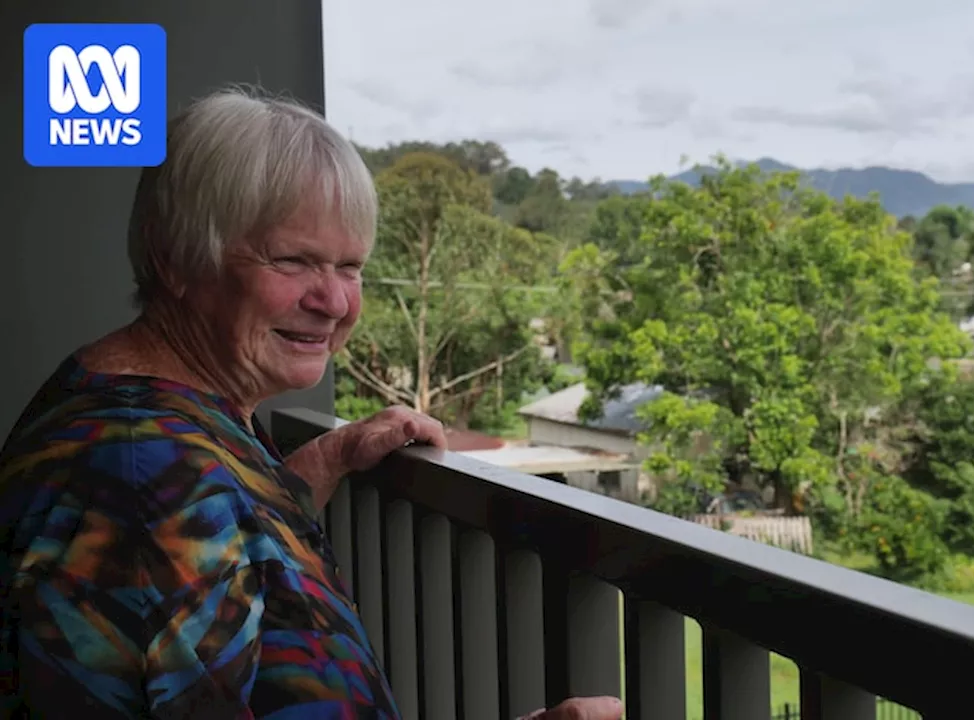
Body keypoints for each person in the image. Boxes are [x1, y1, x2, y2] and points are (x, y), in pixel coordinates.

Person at [0, 88, 622, 720]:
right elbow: (168, 539)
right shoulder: (140, 478)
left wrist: (322, 462)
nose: (335, 302)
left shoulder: (162, 420)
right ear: (175, 257)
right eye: (293, 261)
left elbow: (228, 552)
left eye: (349, 267)